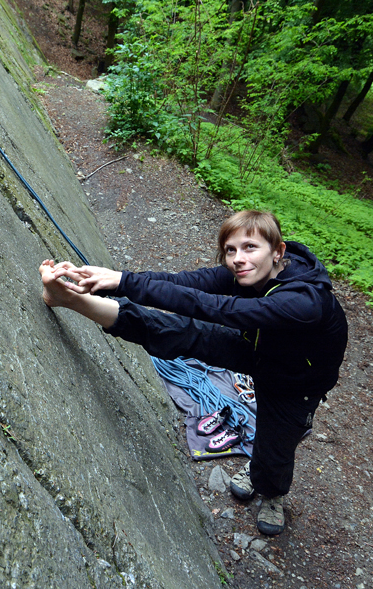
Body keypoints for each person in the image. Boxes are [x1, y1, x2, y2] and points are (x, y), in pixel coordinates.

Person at [39, 210, 348, 535]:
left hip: (295, 382)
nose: (238, 259)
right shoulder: (250, 271)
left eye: (250, 247)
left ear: (277, 251)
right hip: (257, 345)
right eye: (231, 250)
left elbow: (219, 309)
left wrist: (123, 283)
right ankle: (71, 300)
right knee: (181, 333)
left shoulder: (305, 302)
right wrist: (114, 279)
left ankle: (270, 489)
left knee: (277, 443)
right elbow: (189, 283)